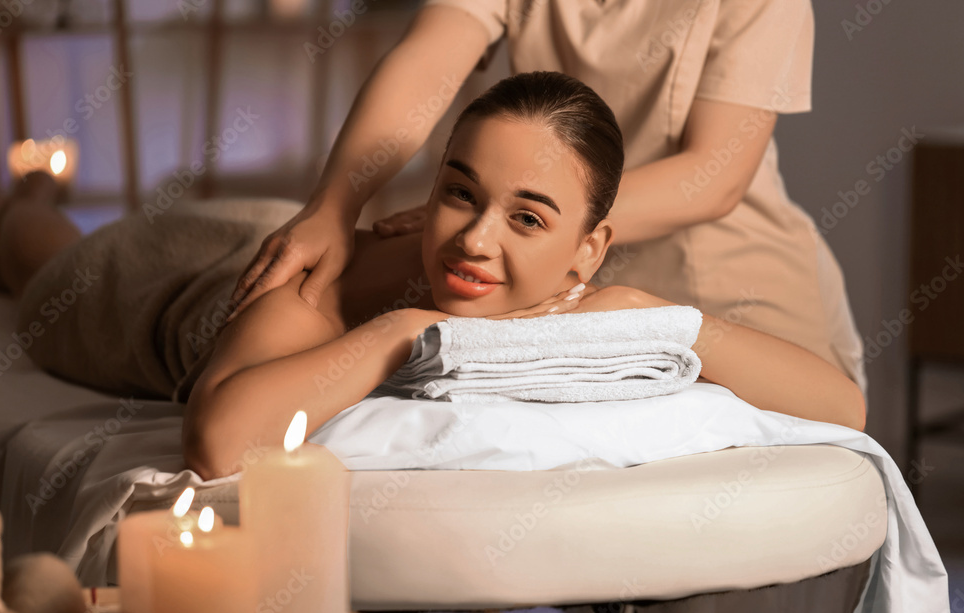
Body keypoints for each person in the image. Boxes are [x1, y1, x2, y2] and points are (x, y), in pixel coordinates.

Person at [0, 72, 864, 485]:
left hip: (243, 231)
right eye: (457, 194)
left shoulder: (586, 300)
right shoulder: (316, 294)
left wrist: (677, 323)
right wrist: (402, 331)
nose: (473, 241)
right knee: (39, 256)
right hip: (152, 279)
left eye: (526, 217)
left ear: (589, 252)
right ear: (425, 194)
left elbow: (842, 408)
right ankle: (0, 206)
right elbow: (217, 444)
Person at [228, 0, 869, 412]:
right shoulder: (487, 247)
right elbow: (428, 58)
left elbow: (712, 177)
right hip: (543, 253)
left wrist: (509, 217)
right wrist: (335, 201)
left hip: (723, 260)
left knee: (756, 541)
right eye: (458, 193)